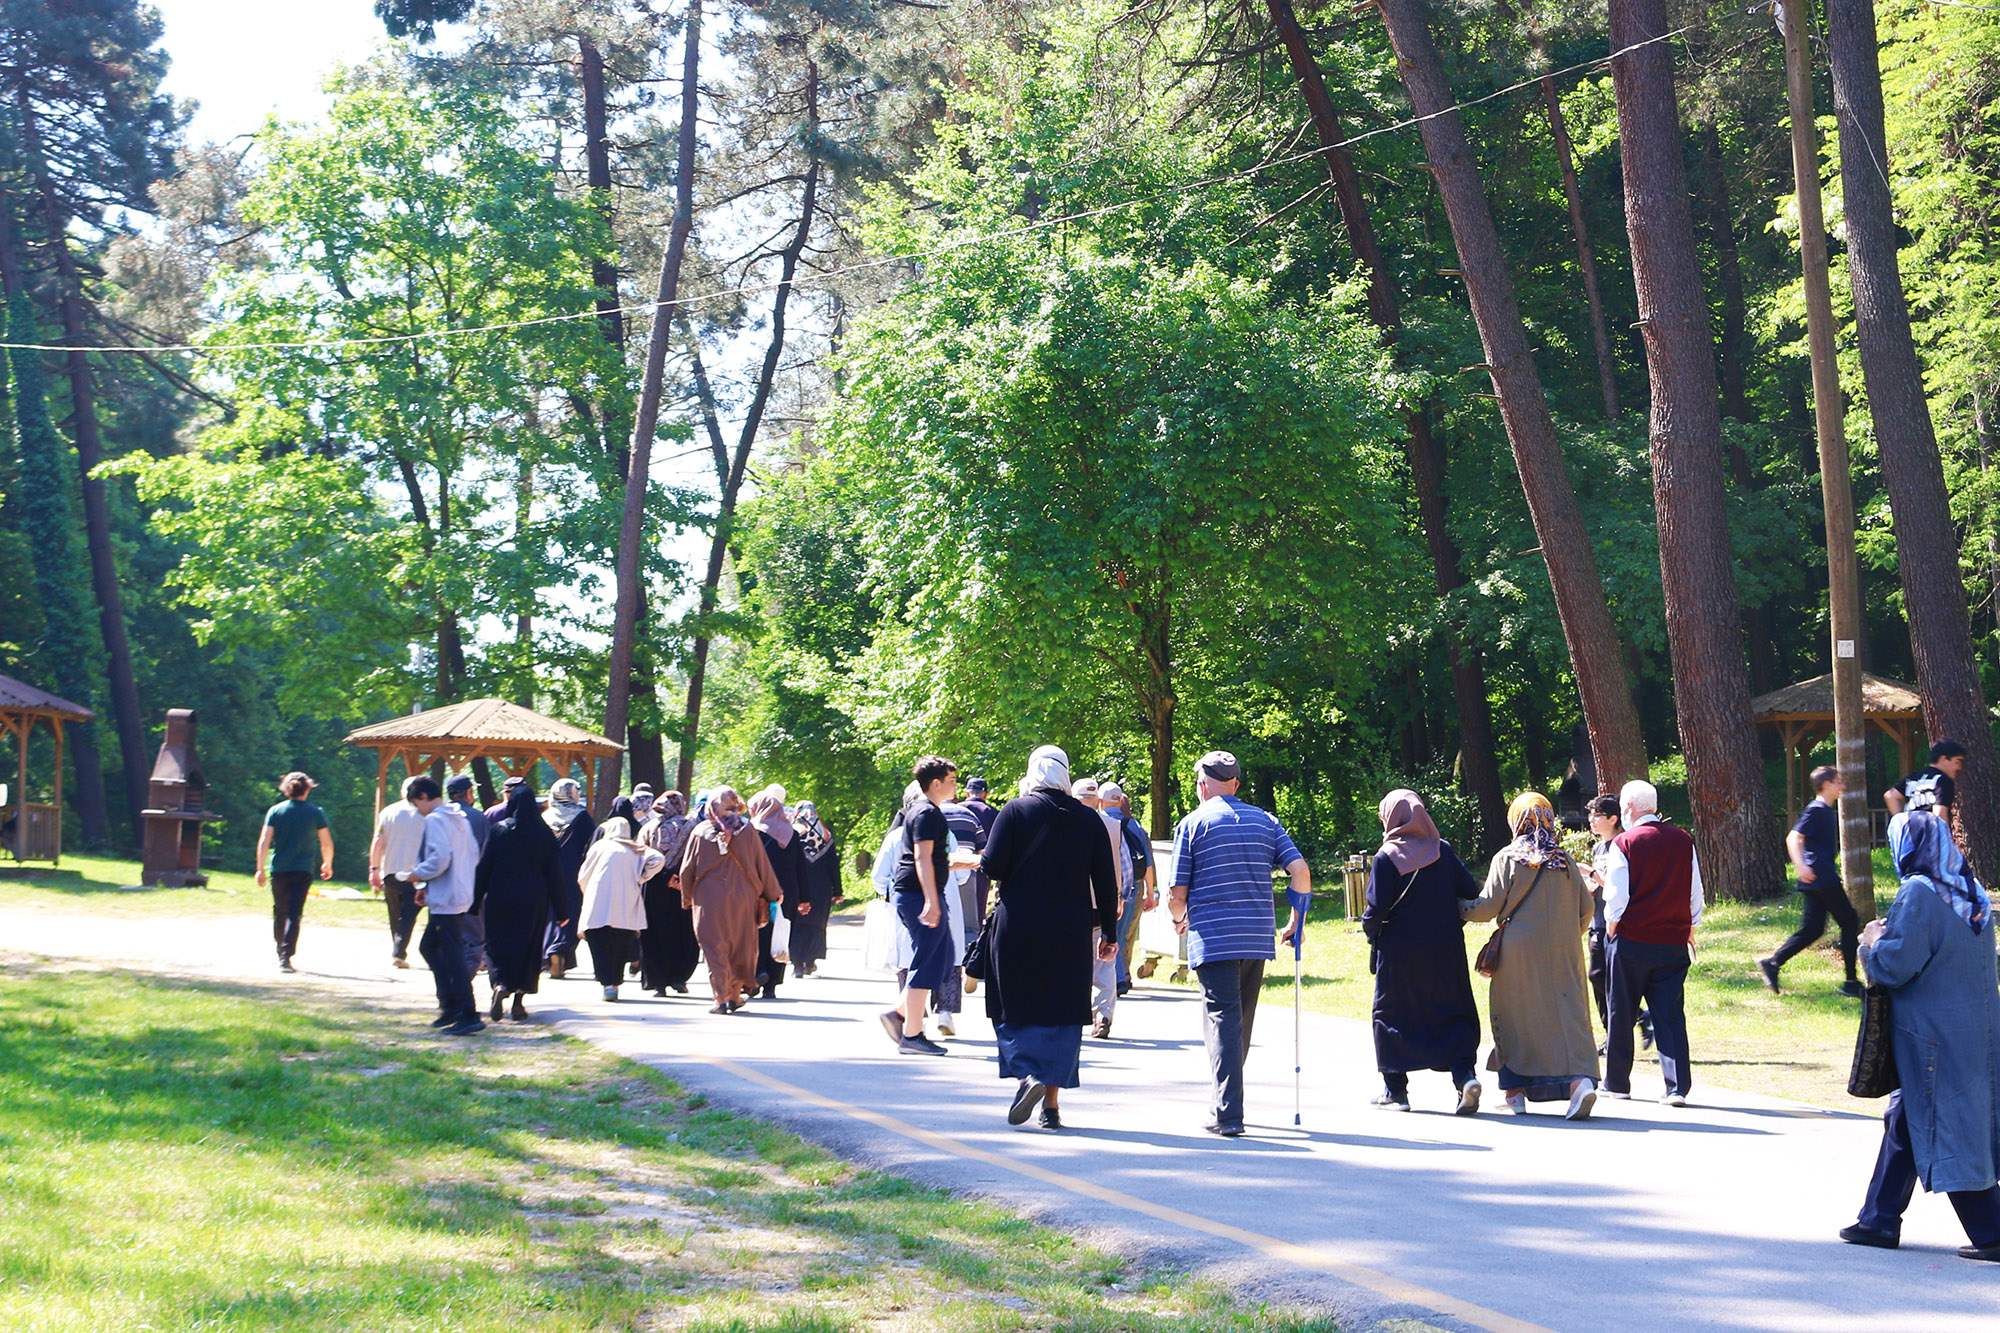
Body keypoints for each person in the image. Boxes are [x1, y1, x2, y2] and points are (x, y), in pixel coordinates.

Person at [1841, 810, 2000, 1260]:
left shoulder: (1918, 892)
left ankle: (1992, 1230)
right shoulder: (1972, 892)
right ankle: (1878, 1219)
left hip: (1932, 1037)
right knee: (1907, 1120)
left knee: (1943, 1126)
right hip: (1975, 1032)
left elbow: (1895, 965)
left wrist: (1870, 941)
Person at [1168, 749, 1310, 1137]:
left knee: (1222, 1020)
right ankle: (1227, 1096)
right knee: (1240, 1020)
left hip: (1214, 936)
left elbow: (1176, 893)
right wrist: (1297, 919)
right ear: (1237, 784)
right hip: (1255, 935)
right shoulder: (1266, 820)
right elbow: (1299, 870)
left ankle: (1228, 1113)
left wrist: (1180, 919)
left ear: (1201, 785)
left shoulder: (1192, 824)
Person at [979, 744, 1120, 1129]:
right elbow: (1105, 882)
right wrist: (1109, 932)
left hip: (1018, 926)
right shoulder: (1089, 819)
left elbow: (992, 866)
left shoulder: (1014, 810)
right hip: (1071, 930)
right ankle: (1051, 1108)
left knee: (1012, 1003)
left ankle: (1028, 1073)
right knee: (1062, 1013)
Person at [1465, 793, 1600, 1120]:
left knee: (1515, 1015)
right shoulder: (1565, 860)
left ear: (1516, 820)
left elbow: (1487, 909)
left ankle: (1515, 1093)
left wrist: (1457, 907)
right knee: (1570, 1015)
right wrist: (1566, 935)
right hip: (1565, 949)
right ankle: (1580, 1084)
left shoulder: (1509, 857)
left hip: (1518, 951)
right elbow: (1588, 909)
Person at [1361, 789, 1482, 1114]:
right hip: (1445, 948)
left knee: (1392, 1013)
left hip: (1400, 951)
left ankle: (1395, 1090)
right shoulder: (1442, 850)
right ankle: (1463, 1076)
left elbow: (1376, 909)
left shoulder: (1386, 857)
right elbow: (1470, 891)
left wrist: (1371, 933)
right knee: (1451, 1008)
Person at [1601, 779, 1701, 1107]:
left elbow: (1617, 894)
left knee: (1621, 1011)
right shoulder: (1683, 840)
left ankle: (1617, 1081)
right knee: (1670, 1014)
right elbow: (1694, 890)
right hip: (1672, 940)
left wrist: (1612, 928)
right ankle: (1676, 1087)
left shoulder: (1625, 843)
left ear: (1628, 808)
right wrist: (1691, 927)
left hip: (1632, 938)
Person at [1761, 766, 1865, 998]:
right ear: (1826, 784)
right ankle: (1850, 981)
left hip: (1817, 877)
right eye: (1838, 782)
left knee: (1814, 928)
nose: (1842, 786)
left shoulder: (1824, 810)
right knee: (1849, 921)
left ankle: (1773, 963)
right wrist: (1801, 866)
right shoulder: (1817, 809)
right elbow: (1793, 837)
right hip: (1821, 876)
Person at [679, 786, 783, 1013]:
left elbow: (687, 870)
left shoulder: (700, 832)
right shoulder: (747, 830)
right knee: (741, 946)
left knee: (715, 948)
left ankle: (721, 997)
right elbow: (761, 864)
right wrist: (774, 892)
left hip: (708, 900)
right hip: (743, 898)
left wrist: (687, 898)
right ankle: (734, 995)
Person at [881, 756, 959, 1056]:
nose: (955, 786)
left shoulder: (928, 812)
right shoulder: (927, 813)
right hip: (918, 895)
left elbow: (933, 859)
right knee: (927, 961)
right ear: (935, 783)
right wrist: (931, 900)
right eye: (951, 781)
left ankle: (899, 1013)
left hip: (920, 893)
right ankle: (912, 1035)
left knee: (943, 956)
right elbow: (921, 858)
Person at [476, 784, 563, 1021]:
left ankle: (500, 984)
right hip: (533, 899)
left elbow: (484, 867)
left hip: (500, 896)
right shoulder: (544, 834)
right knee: (528, 948)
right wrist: (563, 909)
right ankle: (518, 1003)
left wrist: (475, 901)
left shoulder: (498, 831)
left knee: (496, 943)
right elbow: (555, 873)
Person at [407, 775, 483, 1035]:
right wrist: (429, 886)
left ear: (423, 797)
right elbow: (473, 853)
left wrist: (417, 874)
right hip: (458, 892)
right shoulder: (459, 818)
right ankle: (451, 1005)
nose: (419, 810)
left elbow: (439, 858)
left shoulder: (436, 819)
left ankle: (468, 1012)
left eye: (417, 805)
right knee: (429, 947)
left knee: (452, 955)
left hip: (446, 897)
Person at [1579, 793, 1648, 1051]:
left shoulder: (1623, 845)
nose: (1591, 820)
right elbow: (1597, 885)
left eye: (1597, 816)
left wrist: (1592, 874)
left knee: (1612, 980)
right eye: (1590, 815)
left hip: (1617, 923)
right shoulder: (1598, 848)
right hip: (1597, 922)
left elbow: (1620, 888)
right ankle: (1627, 1026)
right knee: (1597, 976)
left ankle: (1620, 1034)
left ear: (1613, 818)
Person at [578, 816, 666, 1000]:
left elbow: (583, 875)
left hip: (598, 904)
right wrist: (642, 876)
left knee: (600, 945)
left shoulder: (600, 846)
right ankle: (616, 983)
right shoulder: (635, 849)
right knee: (620, 945)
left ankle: (606, 983)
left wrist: (588, 891)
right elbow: (658, 858)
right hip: (625, 905)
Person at [255, 771, 332, 974]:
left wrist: (259, 869)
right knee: (294, 912)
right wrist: (327, 863)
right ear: (307, 789)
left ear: (286, 789)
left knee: (280, 910)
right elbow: (326, 842)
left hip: (279, 868)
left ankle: (280, 947)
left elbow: (264, 841)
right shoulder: (316, 812)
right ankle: (286, 955)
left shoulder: (276, 811)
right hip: (303, 869)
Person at [1072, 777, 1131, 1039]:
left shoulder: (1067, 823)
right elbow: (1122, 865)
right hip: (1103, 903)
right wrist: (1118, 898)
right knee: (1104, 961)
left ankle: (1071, 1013)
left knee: (1072, 958)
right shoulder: (1112, 825)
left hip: (1072, 903)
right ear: (1098, 801)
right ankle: (1103, 1016)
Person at [937, 783, 989, 1034]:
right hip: (965, 872)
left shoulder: (925, 817)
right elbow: (983, 849)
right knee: (968, 926)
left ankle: (914, 1009)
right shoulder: (970, 816)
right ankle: (971, 964)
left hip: (921, 886)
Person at [638, 791, 700, 995]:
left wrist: (661, 876)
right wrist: (681, 879)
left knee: (655, 932)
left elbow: (641, 856)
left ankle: (658, 980)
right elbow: (697, 857)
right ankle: (679, 977)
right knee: (683, 932)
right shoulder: (691, 827)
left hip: (654, 886)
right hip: (682, 887)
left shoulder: (649, 827)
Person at [748, 785, 805, 1000]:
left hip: (758, 891)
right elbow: (801, 867)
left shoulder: (752, 832)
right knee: (779, 934)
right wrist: (804, 897)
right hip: (787, 893)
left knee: (757, 934)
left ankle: (757, 972)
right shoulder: (790, 832)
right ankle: (771, 984)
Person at [1101, 784, 1156, 998]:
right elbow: (1147, 863)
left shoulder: (1097, 822)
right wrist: (1150, 894)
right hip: (1132, 885)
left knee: (1103, 932)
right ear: (1120, 802)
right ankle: (1121, 976)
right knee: (1122, 935)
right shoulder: (1134, 825)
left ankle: (1111, 979)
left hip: (1103, 886)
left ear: (1100, 801)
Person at [368, 777, 428, 969]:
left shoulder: (388, 812)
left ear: (403, 792)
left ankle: (398, 948)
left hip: (390, 870)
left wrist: (374, 869)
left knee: (395, 913)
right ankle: (399, 951)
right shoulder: (426, 813)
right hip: (415, 871)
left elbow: (377, 842)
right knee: (409, 913)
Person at [542, 777, 597, 978]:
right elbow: (592, 843)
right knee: (571, 911)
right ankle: (561, 947)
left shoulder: (545, 817)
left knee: (549, 913)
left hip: (547, 873)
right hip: (573, 873)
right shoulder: (581, 817)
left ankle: (551, 951)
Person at [445, 775, 490, 983]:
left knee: (448, 934)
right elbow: (486, 854)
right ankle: (465, 977)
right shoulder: (479, 818)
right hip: (472, 885)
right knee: (473, 936)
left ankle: (450, 976)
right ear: (469, 793)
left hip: (443, 886)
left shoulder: (439, 816)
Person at [791, 801, 840, 976]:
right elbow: (834, 864)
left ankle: (797, 964)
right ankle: (810, 962)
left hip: (797, 887)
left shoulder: (792, 832)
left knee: (797, 924)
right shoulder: (825, 834)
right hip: (821, 888)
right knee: (816, 924)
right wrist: (838, 891)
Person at [1883, 739, 1966, 827]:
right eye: (1957, 761)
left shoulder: (1914, 777)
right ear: (1944, 759)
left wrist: (1902, 825)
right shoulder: (1943, 781)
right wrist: (1944, 838)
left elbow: (1890, 796)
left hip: (1911, 835)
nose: (1959, 767)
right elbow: (1939, 814)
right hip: (1931, 835)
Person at [964, 777, 1001, 919]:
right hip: (981, 866)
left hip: (955, 866)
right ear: (986, 794)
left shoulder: (956, 809)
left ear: (967, 793)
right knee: (978, 909)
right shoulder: (993, 813)